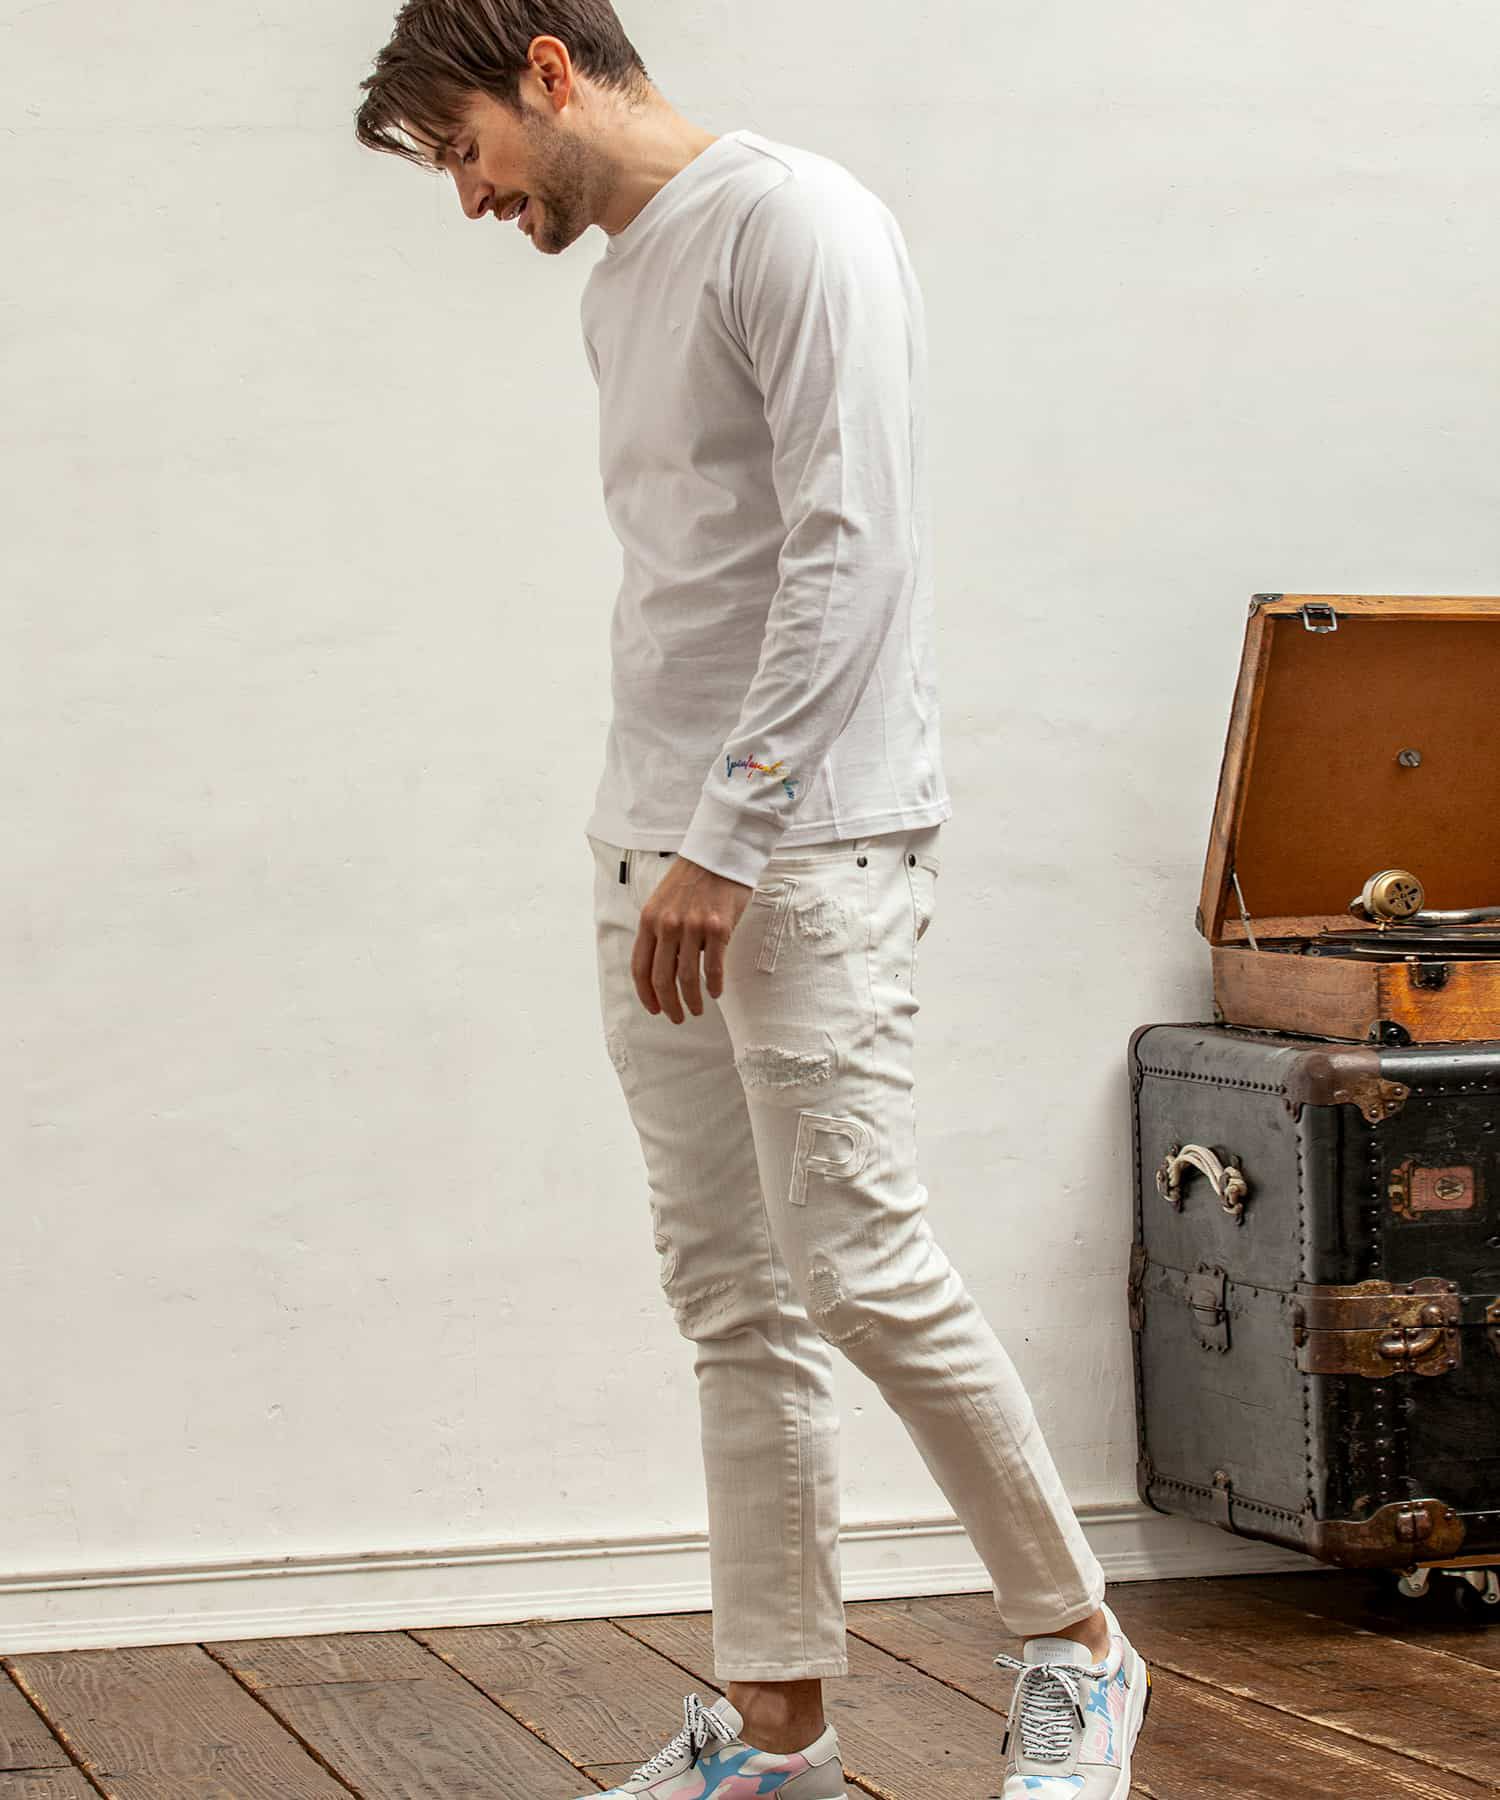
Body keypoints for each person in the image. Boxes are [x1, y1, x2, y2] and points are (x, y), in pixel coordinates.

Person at [356, 5, 1151, 1794]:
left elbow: (852, 548)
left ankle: (1082, 1651)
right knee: (731, 1292)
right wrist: (665, 841)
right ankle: (779, 1733)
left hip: (803, 845)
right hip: (648, 847)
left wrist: (734, 834)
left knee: (857, 1263)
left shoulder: (797, 221)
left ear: (550, 68)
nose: (471, 199)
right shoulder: (617, 281)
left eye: (467, 150)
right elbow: (698, 577)